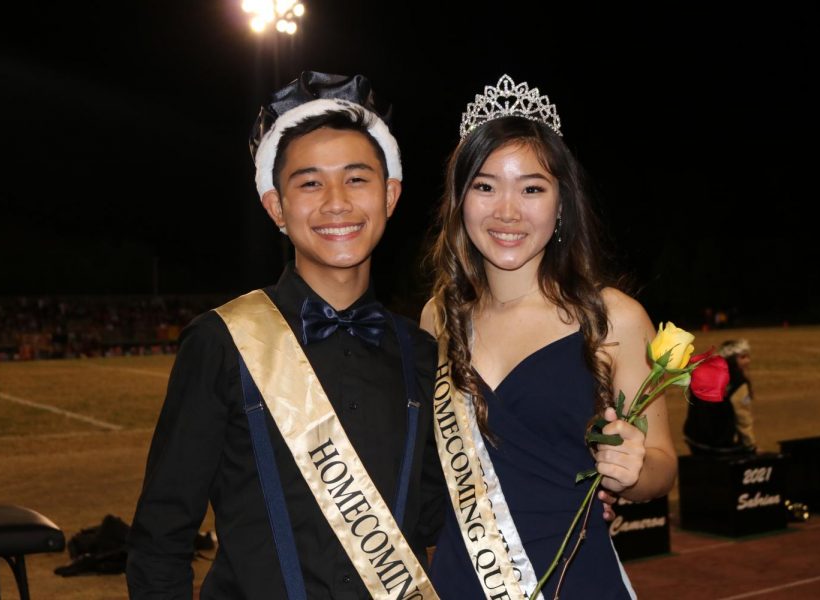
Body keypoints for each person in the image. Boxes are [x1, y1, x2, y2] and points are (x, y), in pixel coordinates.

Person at [126, 71, 445, 600]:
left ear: (390, 196)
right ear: (277, 206)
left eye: (357, 178)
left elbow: (435, 516)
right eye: (310, 182)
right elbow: (162, 535)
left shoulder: (422, 354)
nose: (336, 202)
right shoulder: (221, 342)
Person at [420, 75, 677, 599]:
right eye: (485, 186)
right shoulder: (437, 319)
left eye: (531, 188)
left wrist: (633, 470)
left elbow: (662, 466)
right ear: (460, 199)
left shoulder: (614, 319)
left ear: (561, 204)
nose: (507, 211)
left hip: (575, 583)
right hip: (461, 582)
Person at [684, 338, 757, 455]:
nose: (748, 361)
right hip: (718, 444)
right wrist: (751, 446)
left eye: (748, 356)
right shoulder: (738, 383)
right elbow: (743, 418)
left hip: (693, 439)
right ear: (731, 359)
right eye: (742, 357)